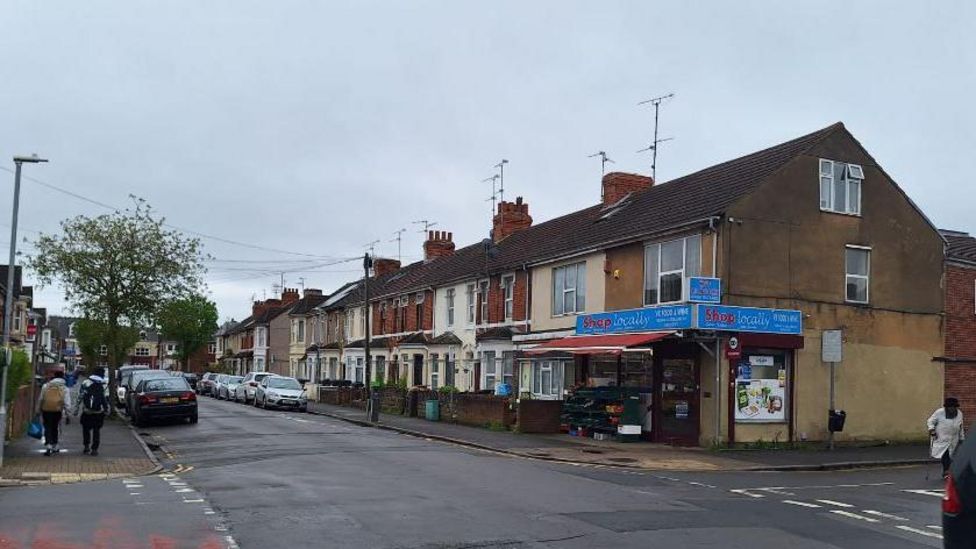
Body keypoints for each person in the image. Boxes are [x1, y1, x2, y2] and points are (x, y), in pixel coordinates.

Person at [74, 367, 110, 456]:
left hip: (87, 411)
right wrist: (106, 410)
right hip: (98, 412)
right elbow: (106, 398)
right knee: (96, 431)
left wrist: (76, 409)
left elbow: (80, 396)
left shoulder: (86, 382)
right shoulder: (104, 384)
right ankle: (94, 449)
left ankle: (86, 446)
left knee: (86, 429)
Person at [36, 370, 72, 456]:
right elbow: (67, 403)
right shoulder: (64, 388)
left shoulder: (46, 386)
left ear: (54, 377)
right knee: (55, 427)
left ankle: (48, 445)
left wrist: (38, 410)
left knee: (47, 427)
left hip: (46, 410)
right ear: (63, 377)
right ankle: (55, 446)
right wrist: (68, 415)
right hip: (57, 410)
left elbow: (41, 399)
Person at [927, 397, 966, 478]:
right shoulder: (939, 412)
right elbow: (930, 421)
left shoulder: (959, 413)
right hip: (942, 437)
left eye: (954, 407)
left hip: (953, 438)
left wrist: (962, 437)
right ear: (946, 407)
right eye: (950, 407)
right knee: (945, 454)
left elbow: (961, 426)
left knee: (952, 456)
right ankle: (946, 471)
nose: (952, 409)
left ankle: (950, 471)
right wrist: (931, 429)